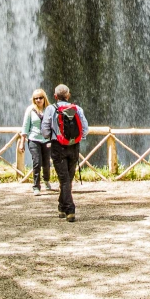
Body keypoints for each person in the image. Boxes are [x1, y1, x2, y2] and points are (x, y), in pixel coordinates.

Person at [41, 84, 87, 222]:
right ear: (68, 95)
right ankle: (62, 206)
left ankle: (70, 209)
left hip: (58, 147)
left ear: (55, 96)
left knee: (64, 179)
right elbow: (85, 129)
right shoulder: (77, 109)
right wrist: (77, 139)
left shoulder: (50, 109)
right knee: (68, 178)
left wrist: (51, 136)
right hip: (74, 147)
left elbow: (45, 130)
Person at [19, 89, 53, 195]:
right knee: (37, 162)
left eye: (40, 98)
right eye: (36, 98)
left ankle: (46, 180)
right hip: (33, 139)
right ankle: (36, 187)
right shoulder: (30, 110)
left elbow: (54, 126)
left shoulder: (50, 109)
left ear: (44, 98)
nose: (38, 100)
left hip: (46, 140)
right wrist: (22, 142)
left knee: (46, 163)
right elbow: (25, 126)